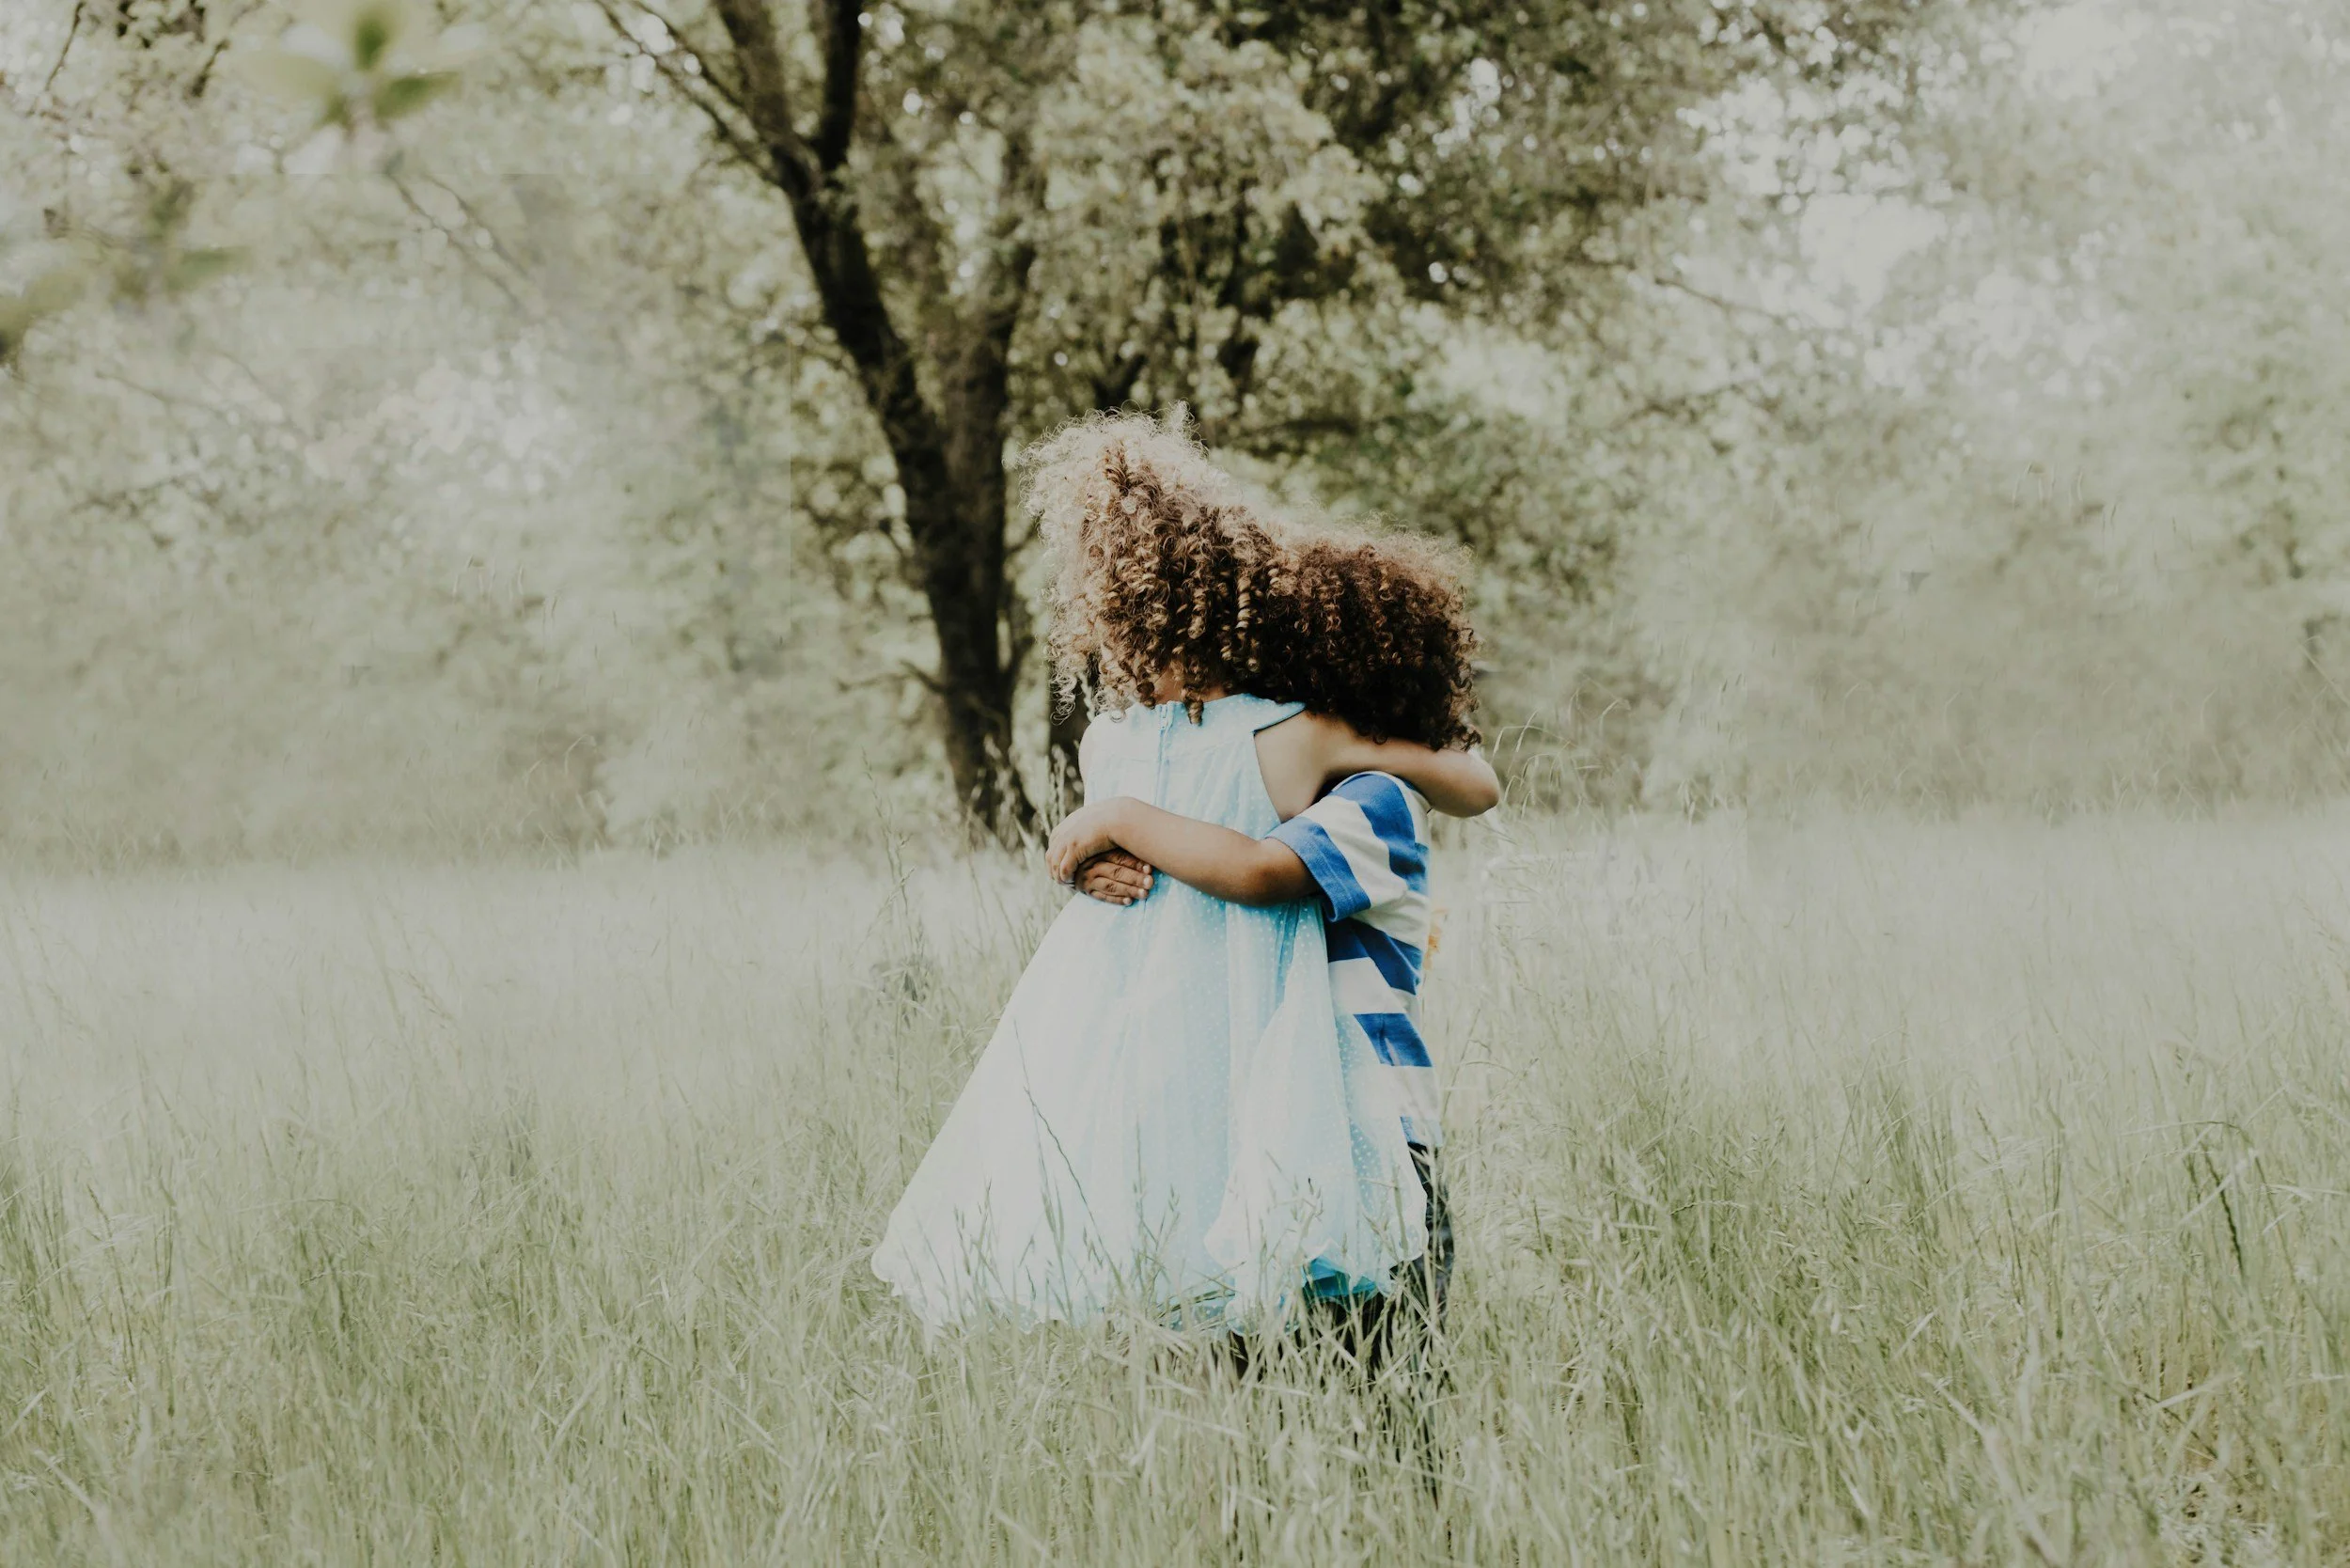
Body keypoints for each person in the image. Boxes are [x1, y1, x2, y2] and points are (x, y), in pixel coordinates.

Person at [870, 414, 1488, 1335]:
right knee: (1384, 1387)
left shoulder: (1111, 757)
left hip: (1189, 1129)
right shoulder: (1312, 747)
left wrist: (1106, 827)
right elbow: (1464, 786)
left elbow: (1225, 871)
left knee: (1246, 1383)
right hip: (1349, 1129)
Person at [1051, 761, 1473, 1370]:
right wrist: (1093, 859)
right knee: (1262, 1400)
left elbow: (1256, 871)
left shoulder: (1374, 800)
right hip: (1260, 1149)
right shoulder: (1236, 813)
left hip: (1378, 1154)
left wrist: (1119, 819)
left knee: (1386, 1404)